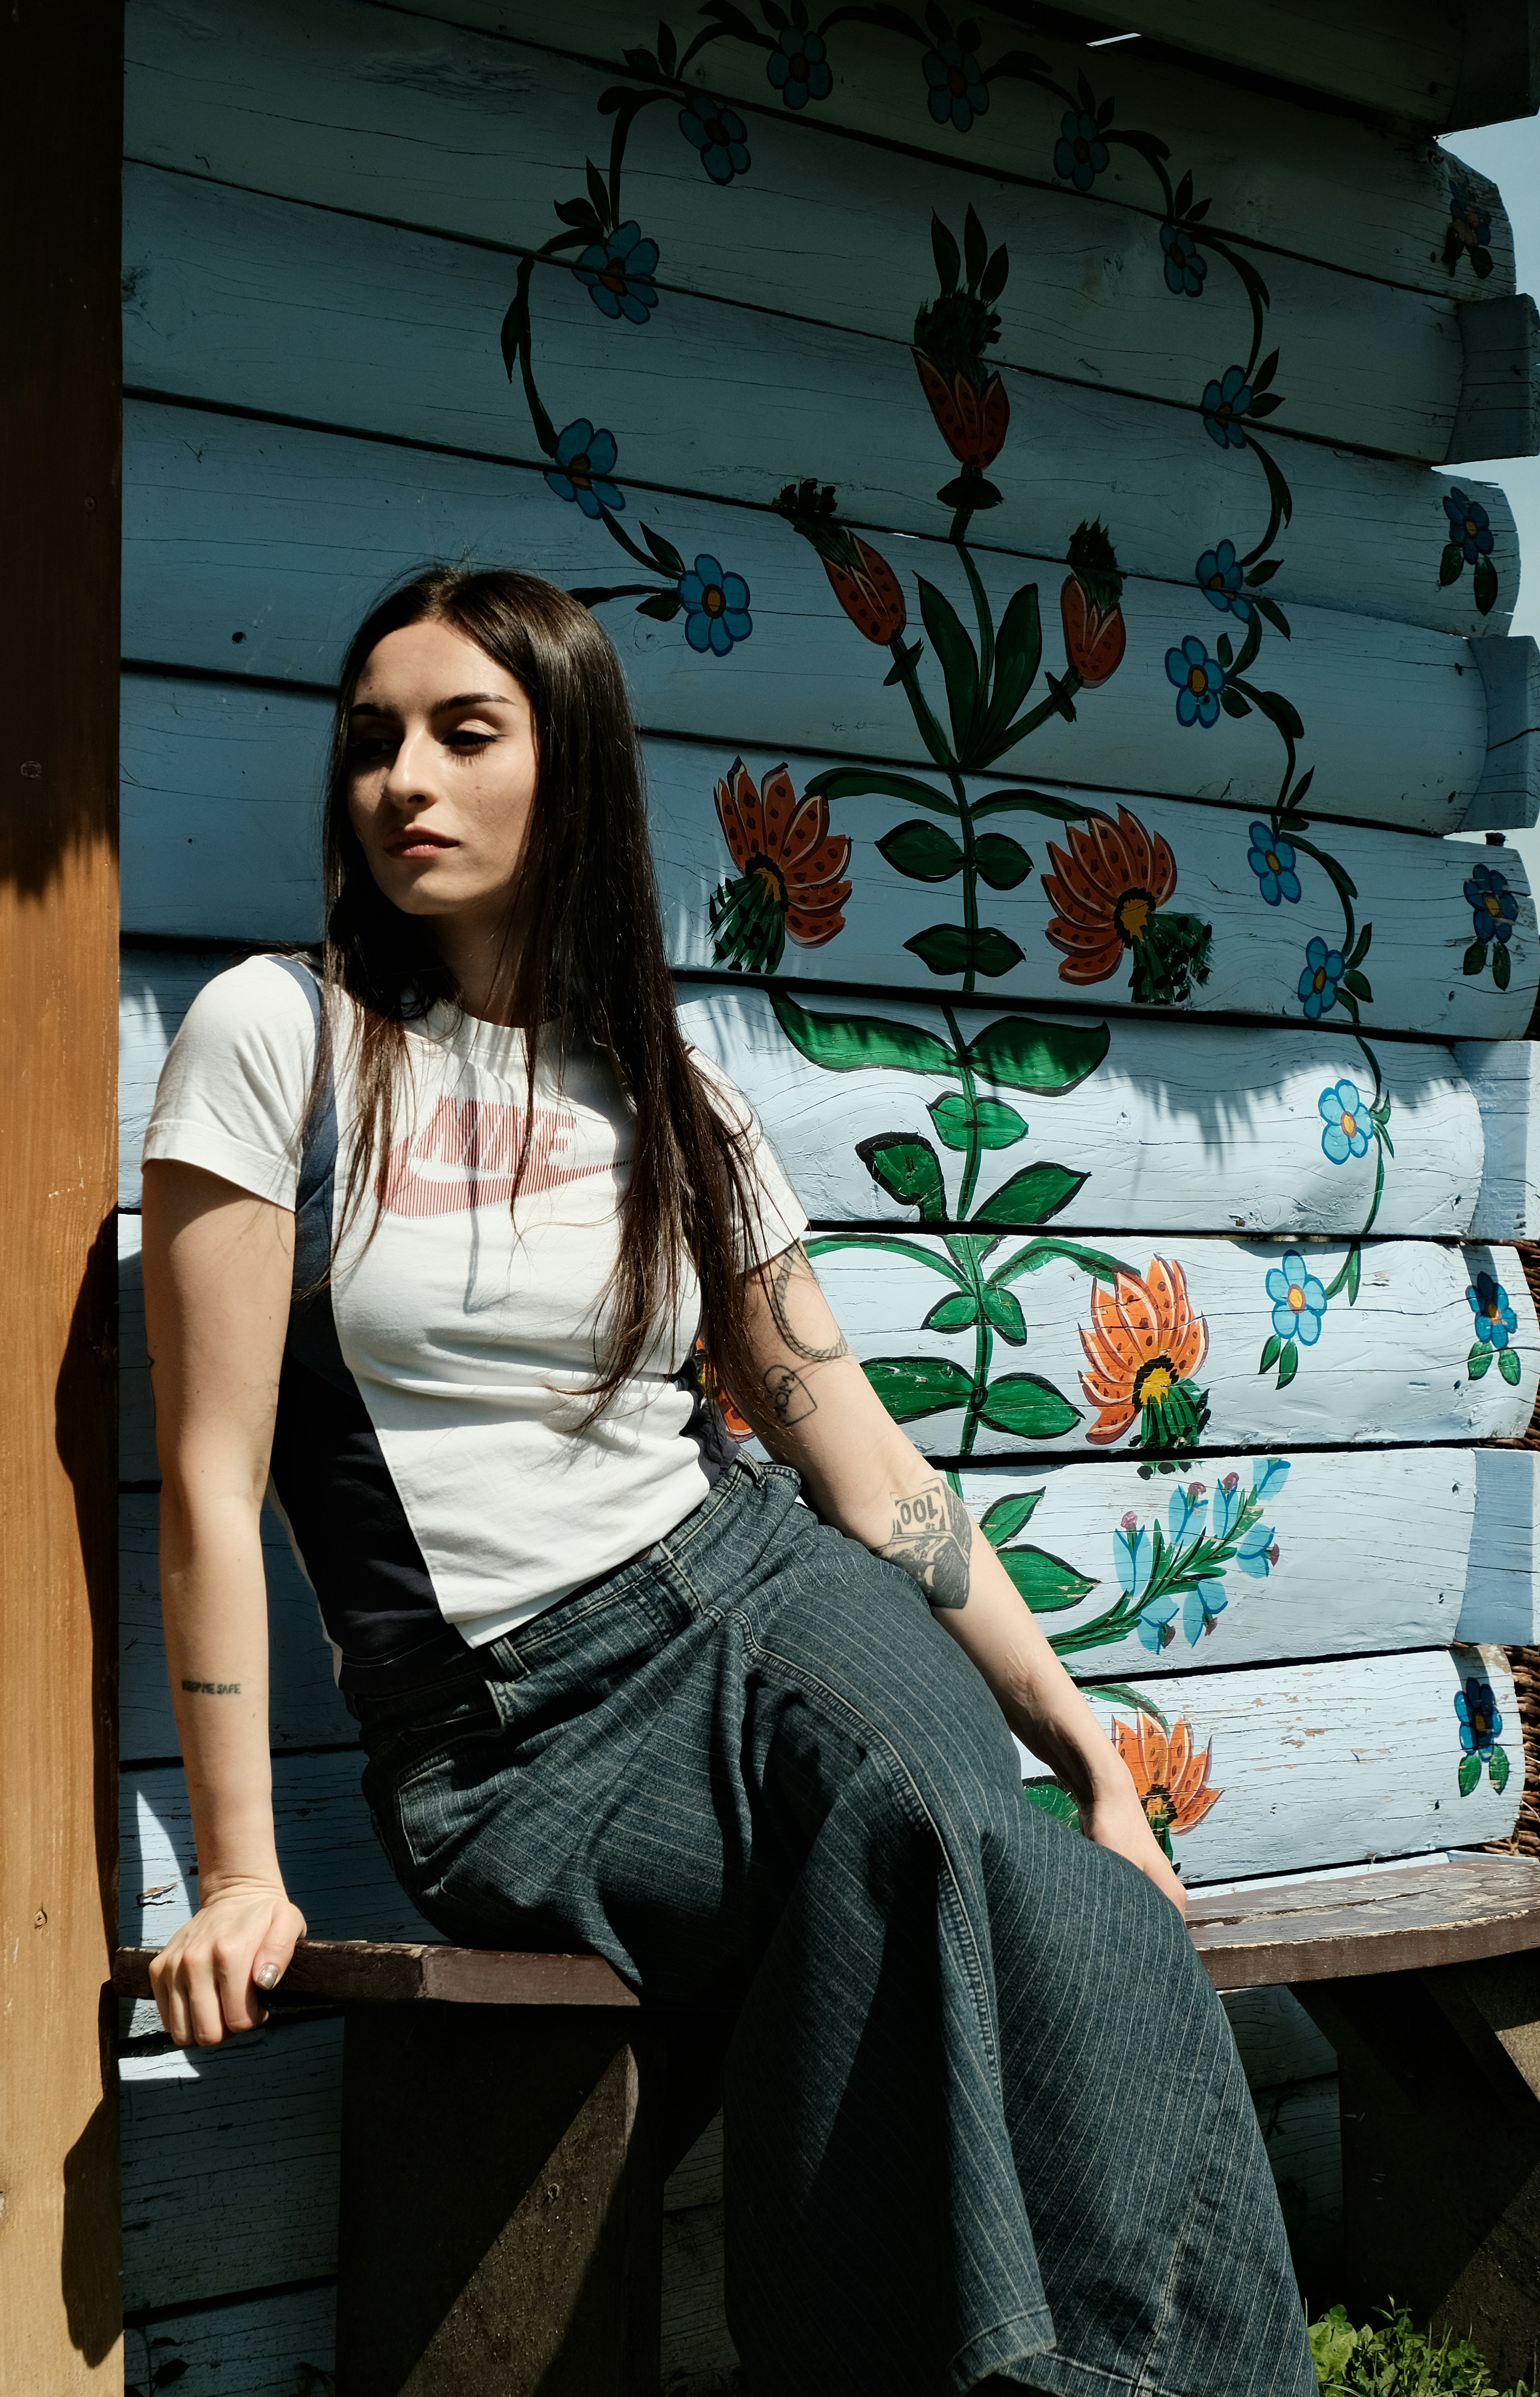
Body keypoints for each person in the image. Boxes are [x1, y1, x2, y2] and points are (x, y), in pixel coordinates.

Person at [142, 566, 1316, 2396]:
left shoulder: (677, 1103)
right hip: (518, 1731)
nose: (404, 782)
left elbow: (855, 1455)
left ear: (575, 771)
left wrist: (1089, 1747)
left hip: (755, 1587)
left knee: (1065, 1889)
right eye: (374, 739)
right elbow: (212, 1481)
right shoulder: (277, 1044)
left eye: (466, 733)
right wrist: (237, 1867)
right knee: (944, 1851)